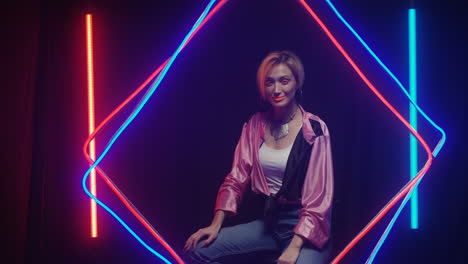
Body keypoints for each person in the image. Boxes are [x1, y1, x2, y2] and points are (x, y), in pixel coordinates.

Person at [184, 51, 334, 264]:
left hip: (306, 230)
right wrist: (215, 224)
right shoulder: (255, 125)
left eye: (284, 81)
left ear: (297, 83)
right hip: (270, 223)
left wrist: (294, 248)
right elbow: (236, 179)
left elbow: (319, 200)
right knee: (197, 250)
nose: (276, 89)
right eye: (269, 82)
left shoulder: (315, 129)